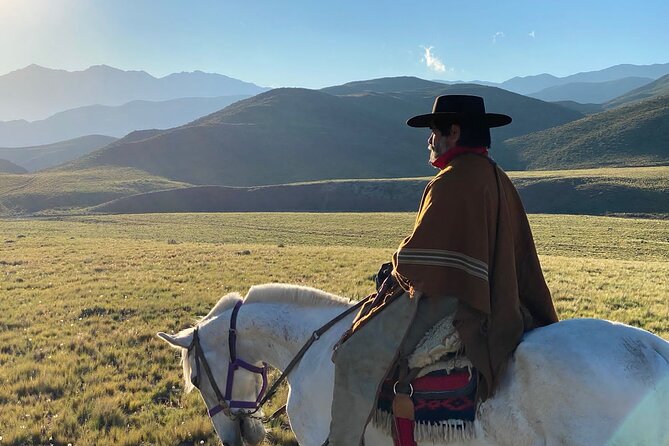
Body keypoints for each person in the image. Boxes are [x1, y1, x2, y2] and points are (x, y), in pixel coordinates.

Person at [325, 95, 559, 446]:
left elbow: (418, 261)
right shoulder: (497, 176)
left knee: (355, 354)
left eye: (434, 131)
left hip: (457, 298)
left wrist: (396, 265)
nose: (429, 141)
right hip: (498, 292)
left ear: (454, 131)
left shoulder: (451, 181)